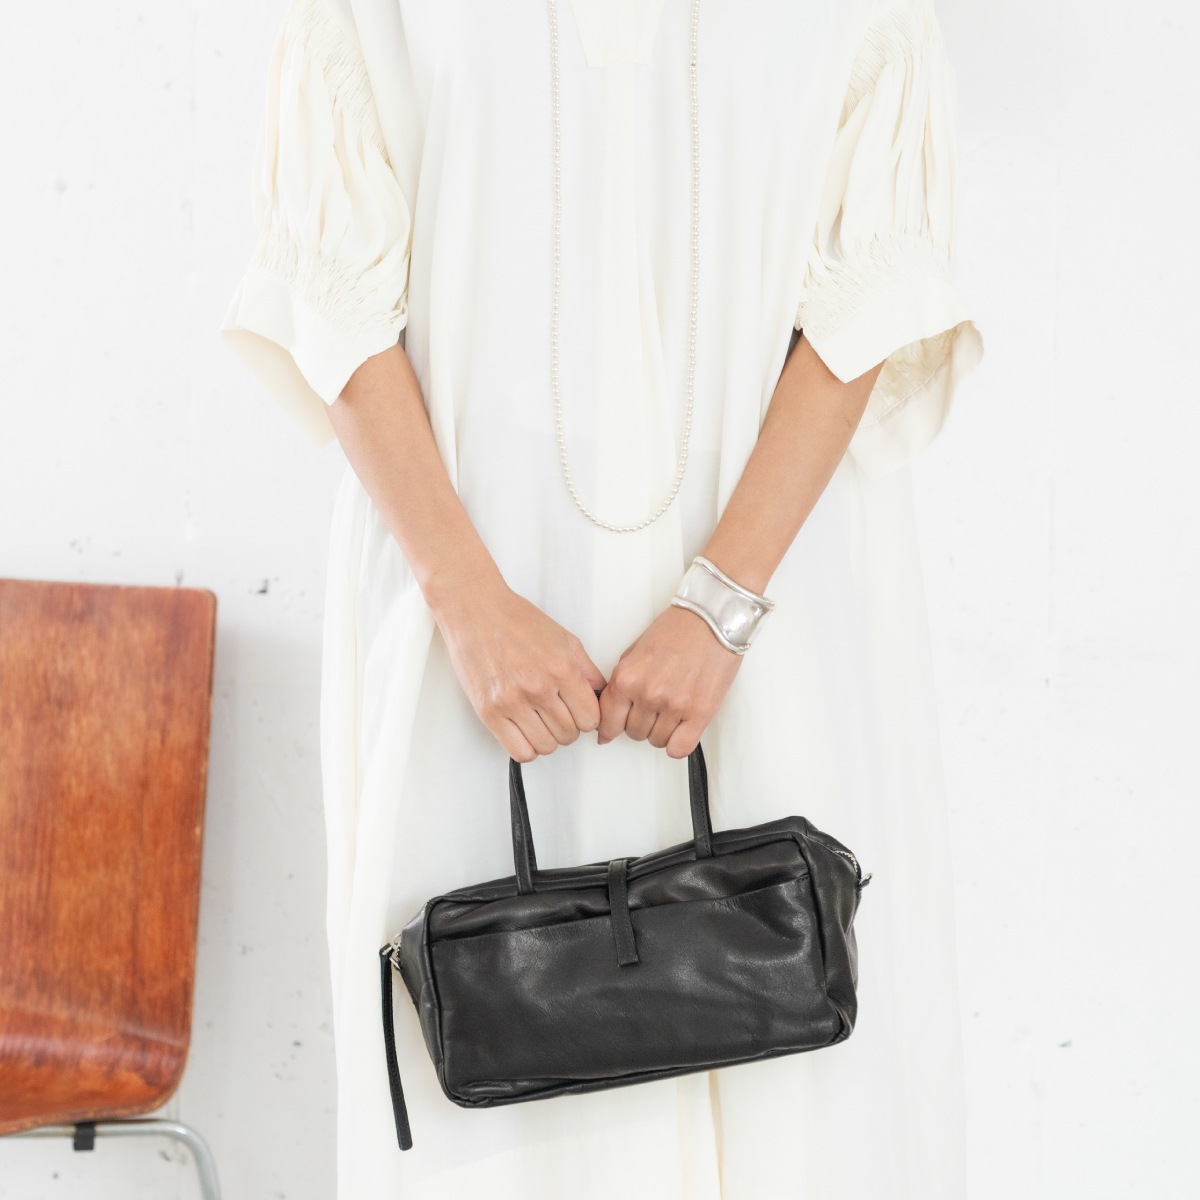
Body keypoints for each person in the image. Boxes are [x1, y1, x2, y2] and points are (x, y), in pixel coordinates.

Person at [219, 0, 985, 1195]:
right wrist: (468, 605)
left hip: (771, 580)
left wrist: (722, 602)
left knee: (790, 1082)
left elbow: (865, 301)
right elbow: (333, 301)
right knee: (491, 1082)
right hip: (467, 594)